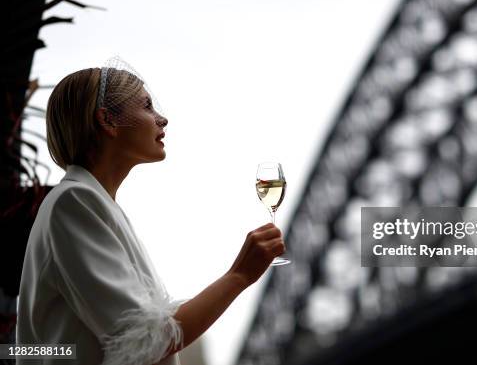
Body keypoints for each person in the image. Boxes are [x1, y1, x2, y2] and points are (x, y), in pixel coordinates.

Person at [16, 66, 285, 365]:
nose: (162, 118)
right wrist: (239, 275)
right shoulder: (75, 202)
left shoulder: (91, 202)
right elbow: (146, 340)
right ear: (107, 120)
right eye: (146, 106)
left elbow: (143, 334)